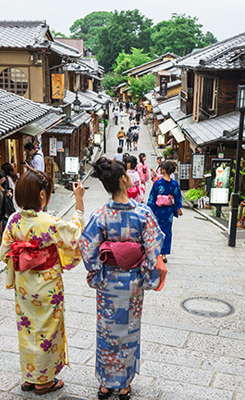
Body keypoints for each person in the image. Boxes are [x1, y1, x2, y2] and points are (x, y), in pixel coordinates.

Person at [78, 157, 164, 400]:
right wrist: (144, 271)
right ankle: (124, 384)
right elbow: (153, 249)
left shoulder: (100, 215)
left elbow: (87, 248)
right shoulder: (143, 214)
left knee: (106, 331)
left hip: (108, 283)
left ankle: (105, 384)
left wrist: (98, 271)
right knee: (128, 330)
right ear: (124, 179)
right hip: (133, 283)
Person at [0, 168, 85, 396]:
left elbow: (3, 252)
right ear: (41, 195)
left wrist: (24, 255)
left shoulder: (14, 220)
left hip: (24, 285)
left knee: (27, 329)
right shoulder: (50, 222)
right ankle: (44, 381)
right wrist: (79, 201)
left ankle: (30, 377)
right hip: (48, 286)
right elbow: (75, 236)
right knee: (48, 328)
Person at [147, 160, 183, 263]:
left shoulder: (158, 183)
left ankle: (157, 252)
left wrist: (149, 210)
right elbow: (177, 198)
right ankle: (164, 255)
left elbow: (152, 198)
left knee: (157, 231)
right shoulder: (174, 184)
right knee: (167, 232)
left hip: (158, 210)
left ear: (163, 170)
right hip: (168, 212)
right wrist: (177, 208)